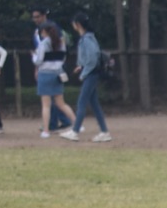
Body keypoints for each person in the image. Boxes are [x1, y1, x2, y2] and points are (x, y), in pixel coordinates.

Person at [67, 13, 110, 142]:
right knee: (94, 104)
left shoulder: (86, 39)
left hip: (91, 74)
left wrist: (84, 73)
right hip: (91, 72)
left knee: (81, 102)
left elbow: (92, 58)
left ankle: (75, 131)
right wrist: (81, 66)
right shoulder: (88, 38)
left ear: (78, 25)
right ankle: (104, 131)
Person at [30, 9, 72, 132]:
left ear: (44, 16)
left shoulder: (52, 31)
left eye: (37, 16)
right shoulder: (38, 32)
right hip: (51, 67)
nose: (35, 19)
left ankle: (51, 124)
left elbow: (41, 55)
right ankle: (64, 122)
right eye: (34, 17)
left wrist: (36, 61)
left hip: (49, 68)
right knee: (57, 99)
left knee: (49, 100)